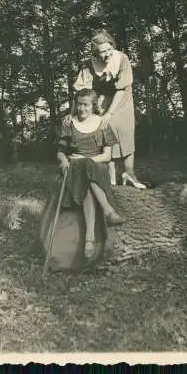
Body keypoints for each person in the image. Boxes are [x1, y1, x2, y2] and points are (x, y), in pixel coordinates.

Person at [64, 30, 146, 189]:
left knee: (124, 130)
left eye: (109, 49)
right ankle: (112, 179)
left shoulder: (122, 59)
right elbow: (81, 92)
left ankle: (129, 172)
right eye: (103, 52)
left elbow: (121, 89)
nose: (107, 54)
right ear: (95, 52)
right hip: (103, 99)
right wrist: (72, 113)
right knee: (107, 132)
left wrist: (110, 113)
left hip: (122, 99)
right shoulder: (89, 66)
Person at [57, 88, 125, 260]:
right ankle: (108, 212)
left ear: (93, 106)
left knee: (87, 168)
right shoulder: (69, 123)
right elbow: (60, 151)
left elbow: (107, 156)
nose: (82, 109)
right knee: (84, 169)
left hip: (98, 167)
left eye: (86, 105)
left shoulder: (102, 123)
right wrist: (64, 160)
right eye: (79, 104)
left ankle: (89, 240)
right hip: (74, 169)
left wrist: (86, 161)